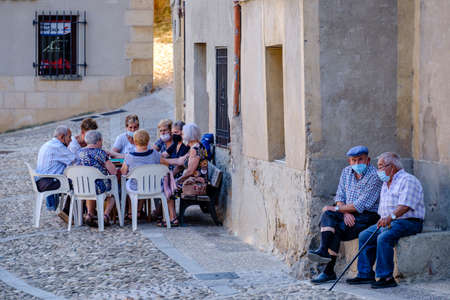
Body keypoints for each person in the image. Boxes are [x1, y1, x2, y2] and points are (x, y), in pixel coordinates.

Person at [347, 152, 425, 289]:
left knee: (384, 237)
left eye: (381, 166)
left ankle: (386, 277)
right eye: (378, 167)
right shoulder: (386, 183)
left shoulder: (407, 180)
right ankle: (365, 274)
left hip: (409, 221)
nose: (379, 171)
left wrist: (390, 217)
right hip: (389, 221)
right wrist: (384, 219)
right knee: (364, 235)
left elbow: (405, 206)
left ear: (392, 167)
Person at [308, 145, 383, 284]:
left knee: (331, 217)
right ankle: (324, 252)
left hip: (367, 216)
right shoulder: (346, 172)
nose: (357, 163)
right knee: (329, 216)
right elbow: (339, 197)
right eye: (353, 160)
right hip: (347, 213)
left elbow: (359, 205)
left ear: (368, 160)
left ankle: (328, 270)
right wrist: (344, 211)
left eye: (360, 160)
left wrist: (338, 210)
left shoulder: (375, 176)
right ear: (349, 161)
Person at [121, 129, 179, 226]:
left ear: (134, 142)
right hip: (154, 187)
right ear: (148, 142)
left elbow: (123, 172)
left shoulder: (129, 156)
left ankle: (131, 213)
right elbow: (165, 166)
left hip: (136, 188)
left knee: (129, 182)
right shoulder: (155, 154)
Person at [78, 130, 117, 227]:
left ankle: (89, 214)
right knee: (112, 194)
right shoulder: (101, 153)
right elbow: (113, 172)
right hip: (100, 187)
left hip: (83, 186)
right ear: (99, 141)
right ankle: (105, 215)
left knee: (90, 189)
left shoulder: (79, 152)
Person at [36, 125, 77, 210]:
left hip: (41, 182)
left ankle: (68, 213)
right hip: (49, 183)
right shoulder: (58, 146)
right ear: (62, 137)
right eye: (69, 137)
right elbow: (76, 161)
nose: (71, 140)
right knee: (80, 183)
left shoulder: (48, 144)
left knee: (74, 181)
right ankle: (71, 214)